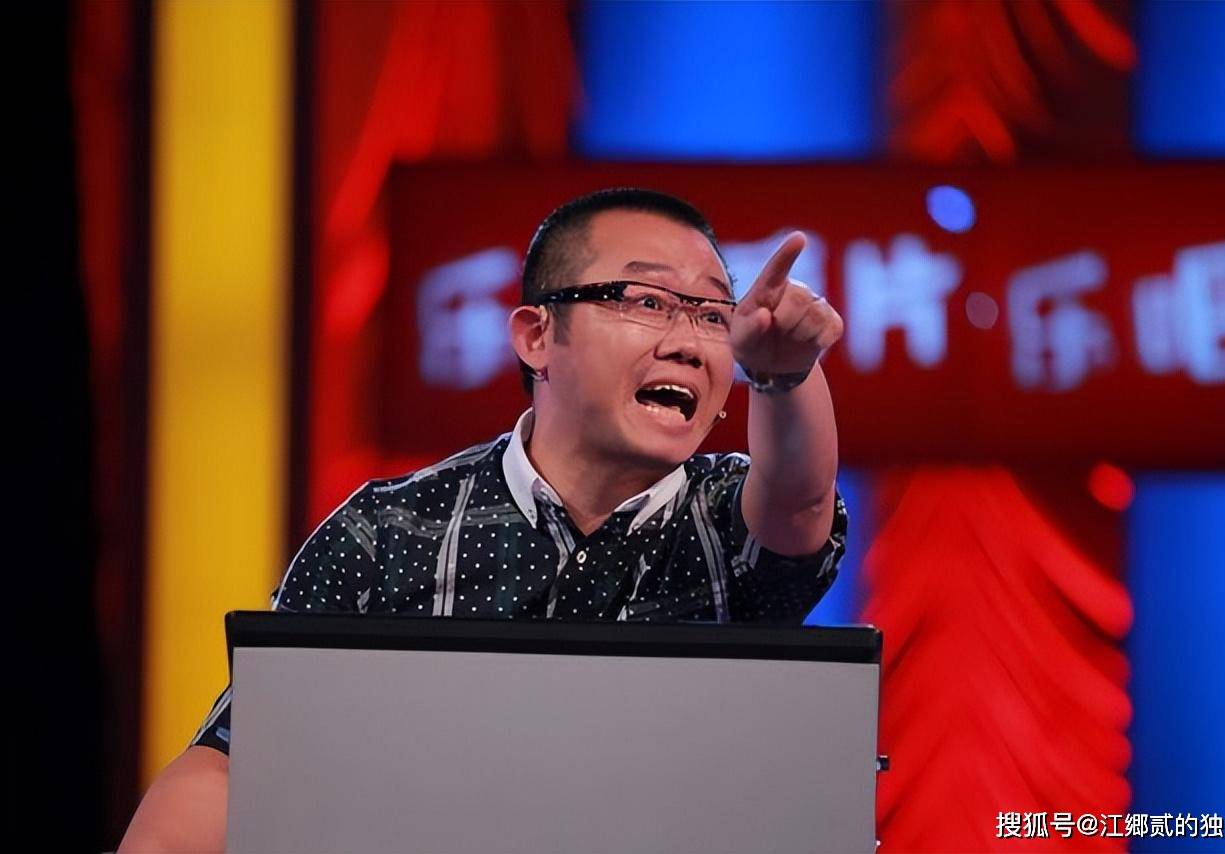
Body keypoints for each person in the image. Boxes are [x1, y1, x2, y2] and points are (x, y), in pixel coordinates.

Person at [119, 188, 848, 852]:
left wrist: (784, 375)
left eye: (713, 315)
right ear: (537, 337)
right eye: (646, 301)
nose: (688, 342)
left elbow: (799, 500)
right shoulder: (389, 532)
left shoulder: (720, 517)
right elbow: (241, 757)